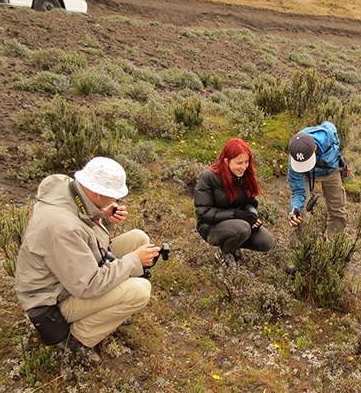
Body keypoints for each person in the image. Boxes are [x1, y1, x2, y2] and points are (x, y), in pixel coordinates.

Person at [15, 157, 160, 366]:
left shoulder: (71, 190)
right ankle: (76, 339)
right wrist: (134, 261)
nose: (114, 201)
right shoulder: (61, 227)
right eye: (112, 197)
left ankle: (110, 308)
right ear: (98, 193)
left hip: (70, 275)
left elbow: (81, 225)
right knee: (139, 290)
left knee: (139, 238)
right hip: (52, 299)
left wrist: (102, 217)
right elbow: (88, 285)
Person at [194, 138, 275, 266]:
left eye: (246, 162)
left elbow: (250, 202)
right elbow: (204, 213)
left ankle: (233, 244)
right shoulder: (209, 177)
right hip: (210, 227)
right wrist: (237, 214)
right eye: (239, 163)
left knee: (266, 242)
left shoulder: (244, 175)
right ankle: (223, 252)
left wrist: (252, 216)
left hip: (237, 223)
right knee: (242, 228)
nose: (244, 167)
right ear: (226, 161)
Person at [287, 121, 347, 237]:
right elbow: (298, 191)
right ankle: (301, 249)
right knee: (301, 212)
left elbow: (337, 145)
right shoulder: (294, 159)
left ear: (314, 147)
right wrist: (295, 207)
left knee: (337, 208)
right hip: (307, 174)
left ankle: (333, 245)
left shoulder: (329, 135)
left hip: (331, 170)